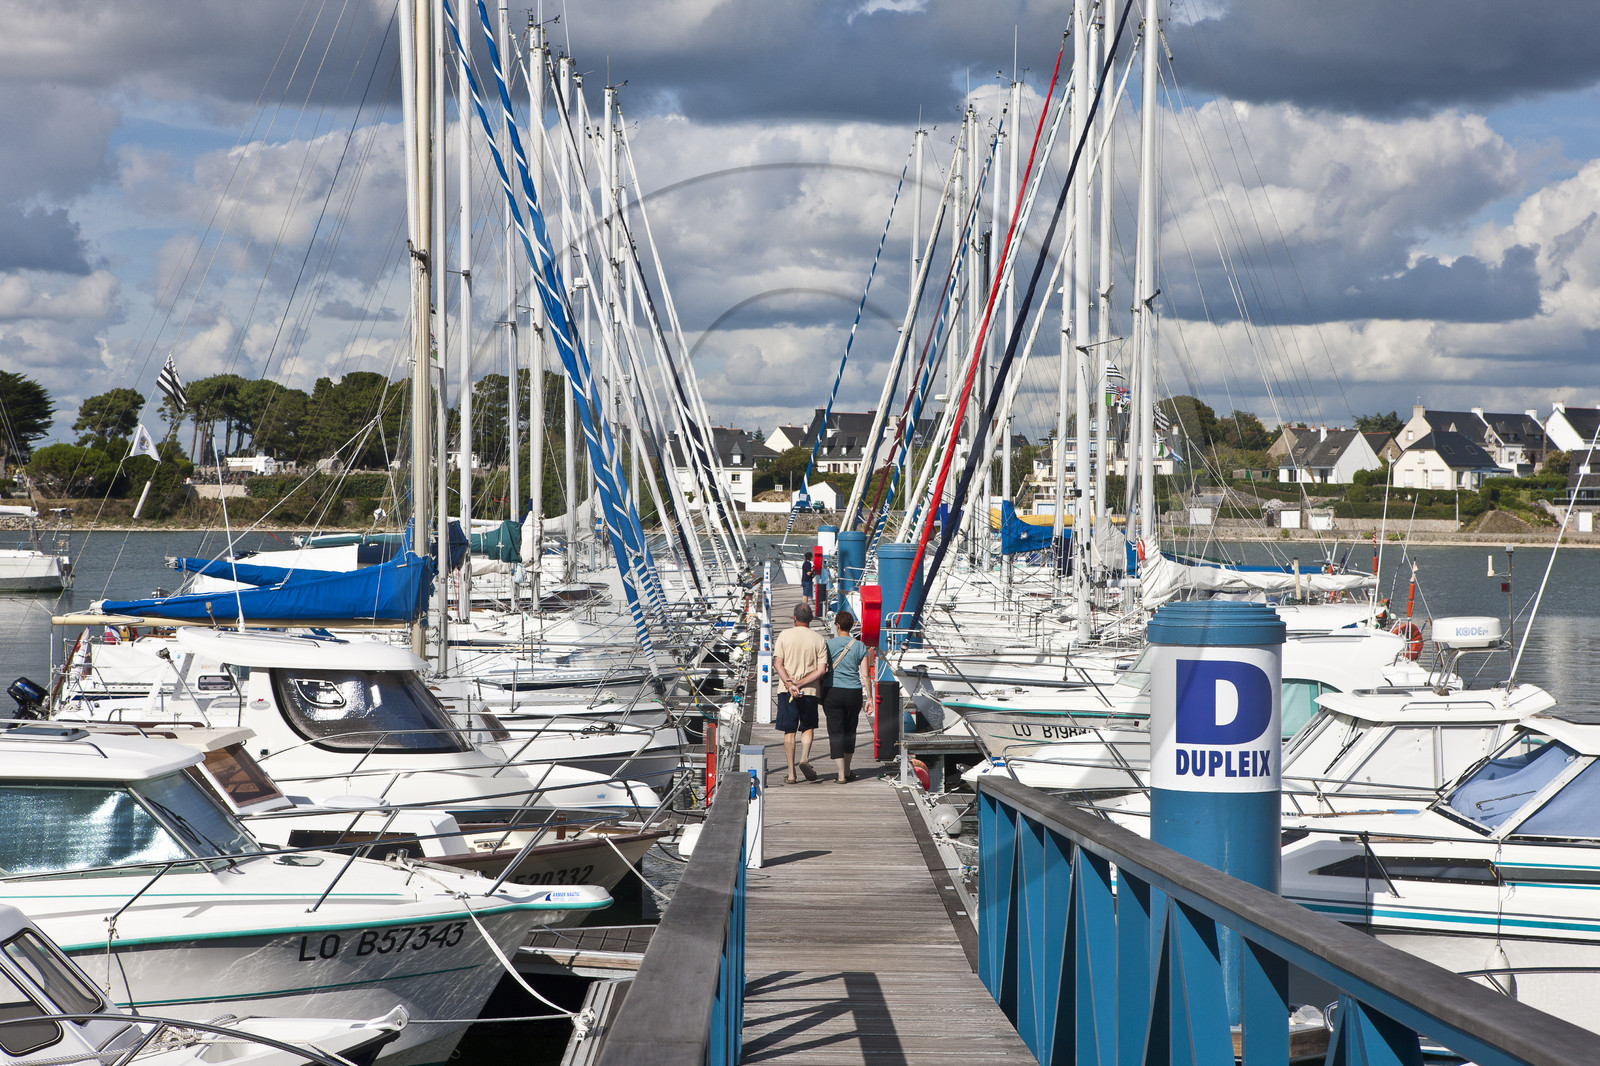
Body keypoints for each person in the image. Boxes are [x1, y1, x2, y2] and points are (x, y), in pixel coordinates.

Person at [773, 601, 827, 784]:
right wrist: (802, 683)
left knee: (789, 730)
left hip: (786, 690)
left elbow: (777, 664)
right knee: (807, 727)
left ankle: (791, 774)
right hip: (810, 690)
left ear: (794, 618)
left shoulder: (784, 635)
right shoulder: (819, 639)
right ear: (811, 619)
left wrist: (790, 684)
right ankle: (804, 758)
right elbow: (821, 671)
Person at [822, 610, 870, 783]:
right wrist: (870, 698)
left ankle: (841, 774)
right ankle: (848, 769)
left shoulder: (829, 645)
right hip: (853, 692)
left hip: (832, 691)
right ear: (851, 626)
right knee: (850, 730)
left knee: (835, 731)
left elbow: (822, 668)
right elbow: (865, 675)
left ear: (837, 625)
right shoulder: (859, 646)